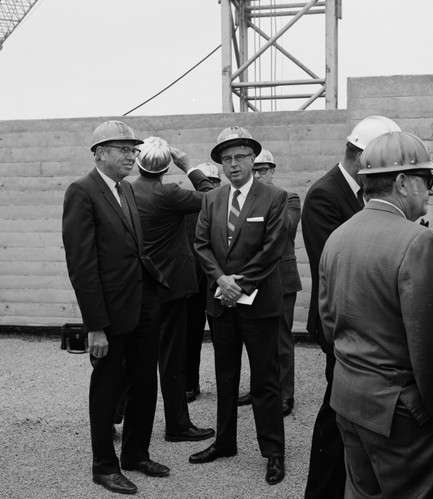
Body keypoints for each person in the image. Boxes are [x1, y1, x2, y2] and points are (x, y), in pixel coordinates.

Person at [319, 130, 433, 498]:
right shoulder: (417, 240)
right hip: (400, 415)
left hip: (350, 401)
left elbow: (330, 323)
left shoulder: (338, 236)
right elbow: (432, 344)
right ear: (401, 182)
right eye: (427, 180)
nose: (431, 191)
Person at [62, 121, 169, 495]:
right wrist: (95, 326)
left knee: (144, 383)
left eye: (133, 149)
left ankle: (136, 454)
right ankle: (104, 466)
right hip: (110, 315)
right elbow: (82, 264)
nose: (131, 155)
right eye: (122, 149)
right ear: (99, 153)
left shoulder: (125, 189)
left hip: (142, 307)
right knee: (107, 388)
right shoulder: (82, 191)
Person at [301, 115, 401, 498]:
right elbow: (337, 269)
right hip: (341, 324)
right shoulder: (325, 194)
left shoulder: (357, 191)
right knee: (337, 413)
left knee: (346, 413)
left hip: (356, 324)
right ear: (362, 158)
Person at [190, 126, 288, 485]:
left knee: (265, 380)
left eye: (240, 157)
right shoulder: (213, 199)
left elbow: (273, 248)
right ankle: (224, 442)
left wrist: (240, 284)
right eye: (226, 159)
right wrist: (221, 281)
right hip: (221, 302)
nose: (233, 165)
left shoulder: (274, 197)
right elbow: (201, 244)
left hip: (259, 304)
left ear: (253, 159)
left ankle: (273, 452)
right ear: (220, 165)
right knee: (225, 376)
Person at [131, 137, 215, 443]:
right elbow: (214, 197)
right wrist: (190, 166)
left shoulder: (126, 190)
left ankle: (117, 413)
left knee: (135, 355)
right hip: (173, 288)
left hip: (141, 286)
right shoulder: (169, 193)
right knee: (171, 359)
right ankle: (177, 424)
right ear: (168, 166)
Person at [236, 149, 302, 417]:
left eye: (264, 170)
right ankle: (259, 388)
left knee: (281, 340)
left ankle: (285, 394)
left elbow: (282, 230)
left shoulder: (289, 198)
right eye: (256, 170)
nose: (260, 174)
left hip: (282, 279)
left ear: (273, 171)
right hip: (256, 279)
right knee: (256, 340)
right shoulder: (247, 199)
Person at [185, 162, 222, 403]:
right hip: (193, 281)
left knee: (223, 336)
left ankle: (226, 384)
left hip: (217, 278)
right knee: (190, 334)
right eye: (209, 182)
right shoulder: (188, 205)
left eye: (215, 182)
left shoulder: (225, 205)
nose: (213, 187)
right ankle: (189, 383)